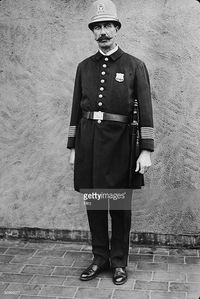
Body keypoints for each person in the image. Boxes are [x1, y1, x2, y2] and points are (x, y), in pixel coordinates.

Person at [67, 0, 154, 285]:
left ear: (116, 29)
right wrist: (73, 147)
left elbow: (146, 111)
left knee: (118, 206)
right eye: (97, 27)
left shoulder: (134, 66)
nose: (102, 32)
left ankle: (118, 262)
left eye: (107, 26)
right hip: (90, 143)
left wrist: (145, 149)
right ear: (93, 32)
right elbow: (76, 110)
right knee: (94, 203)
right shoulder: (84, 67)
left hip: (121, 146)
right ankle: (99, 258)